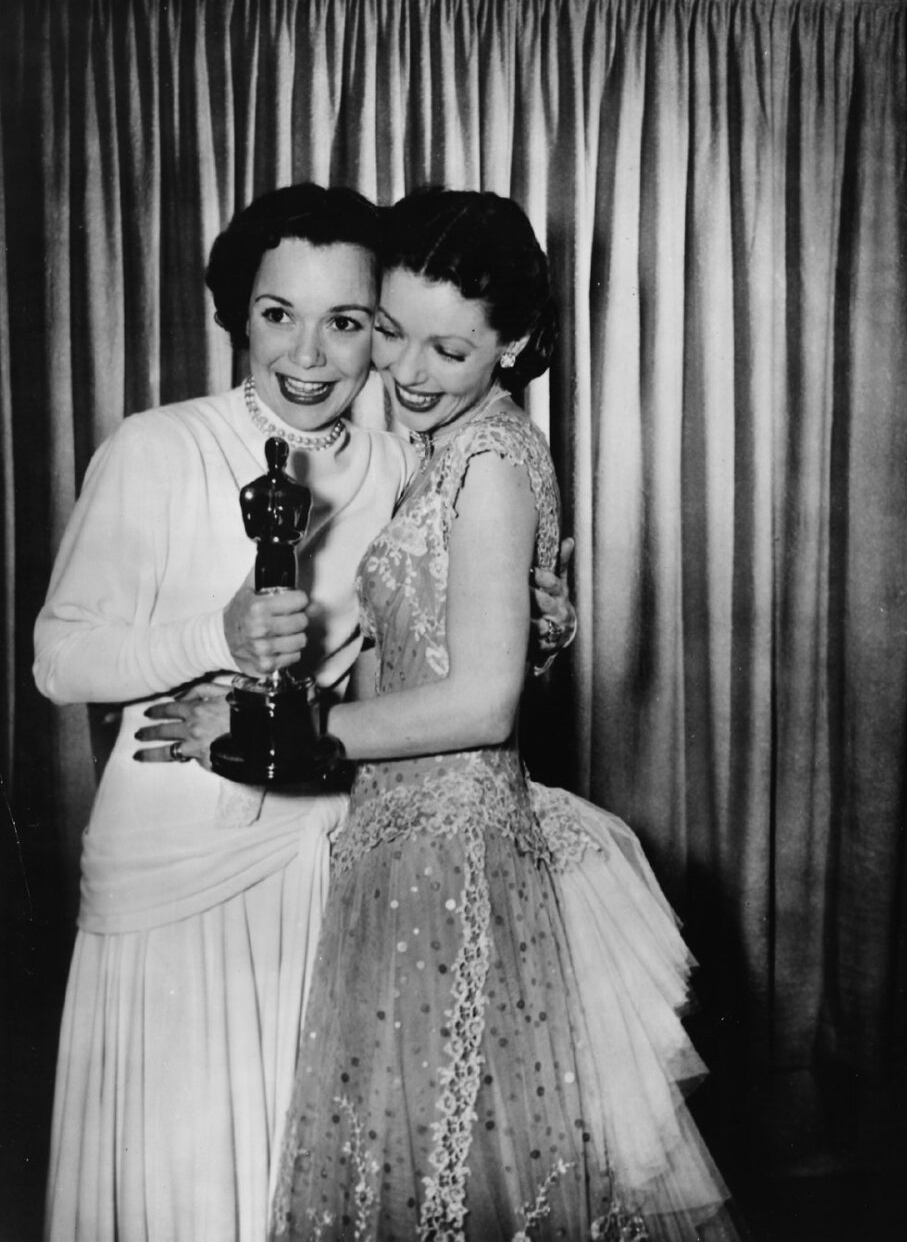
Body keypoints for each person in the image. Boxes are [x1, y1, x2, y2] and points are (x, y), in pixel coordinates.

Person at [33, 183, 573, 1242]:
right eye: (279, 314)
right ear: (240, 314)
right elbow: (60, 659)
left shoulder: (398, 459)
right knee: (173, 1182)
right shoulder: (156, 448)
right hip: (171, 859)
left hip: (325, 856)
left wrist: (531, 621)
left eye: (347, 321)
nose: (312, 355)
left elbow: (433, 659)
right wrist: (212, 642)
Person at [269, 188, 740, 1240]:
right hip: (406, 846)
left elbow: (482, 702)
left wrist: (300, 735)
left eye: (448, 348)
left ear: (516, 342)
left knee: (453, 1183)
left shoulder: (486, 459)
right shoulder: (454, 451)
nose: (405, 372)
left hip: (451, 859)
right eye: (391, 333)